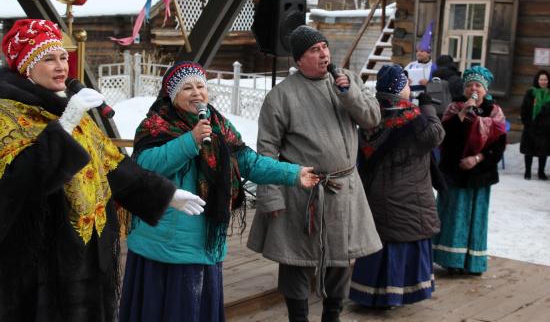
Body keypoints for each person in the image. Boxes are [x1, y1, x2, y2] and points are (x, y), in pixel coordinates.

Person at [0, 19, 205, 322]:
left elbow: (113, 165)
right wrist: (66, 122)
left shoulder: (70, 108)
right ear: (26, 67)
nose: (61, 66)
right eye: (48, 59)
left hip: (87, 253)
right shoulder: (9, 115)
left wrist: (166, 194)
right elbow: (25, 180)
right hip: (40, 262)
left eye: (63, 57)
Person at [118, 61, 319, 322]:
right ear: (172, 94)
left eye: (201, 86)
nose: (197, 93)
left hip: (206, 240)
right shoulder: (155, 125)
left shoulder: (219, 126)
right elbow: (144, 168)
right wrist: (190, 141)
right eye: (187, 88)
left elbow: (250, 162)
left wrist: (292, 173)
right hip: (164, 245)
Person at [247, 25, 383, 322]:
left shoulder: (347, 80)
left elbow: (372, 118)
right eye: (314, 50)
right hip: (301, 192)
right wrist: (270, 198)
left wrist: (348, 94)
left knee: (341, 260)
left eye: (324, 47)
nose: (323, 54)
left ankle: (332, 316)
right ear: (299, 60)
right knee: (295, 261)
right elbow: (266, 151)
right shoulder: (281, 97)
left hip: (344, 190)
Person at [349, 64, 444, 308]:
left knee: (378, 241)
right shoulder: (411, 119)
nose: (409, 88)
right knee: (400, 243)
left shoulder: (371, 116)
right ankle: (394, 295)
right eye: (406, 84)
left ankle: (369, 293)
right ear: (399, 88)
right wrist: (428, 107)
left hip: (375, 194)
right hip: (407, 197)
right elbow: (435, 135)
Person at [432, 66, 507, 276]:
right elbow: (444, 137)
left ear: (485, 89)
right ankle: (451, 260)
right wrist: (464, 113)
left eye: (478, 85)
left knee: (475, 217)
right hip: (455, 173)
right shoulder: (455, 108)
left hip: (480, 173)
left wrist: (477, 158)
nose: (474, 88)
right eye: (470, 85)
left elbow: (499, 146)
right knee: (454, 215)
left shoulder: (495, 112)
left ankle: (473, 262)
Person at [519, 69, 550, 180]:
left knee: (544, 151)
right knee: (529, 151)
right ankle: (527, 171)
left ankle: (541, 172)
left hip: (546, 128)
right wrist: (526, 123)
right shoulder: (530, 92)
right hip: (531, 127)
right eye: (541, 79)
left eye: (545, 79)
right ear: (537, 80)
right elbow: (524, 109)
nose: (543, 81)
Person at [405, 20, 437, 91]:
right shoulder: (410, 65)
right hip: (411, 99)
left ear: (428, 53)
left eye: (422, 51)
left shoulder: (434, 68)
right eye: (417, 51)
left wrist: (428, 84)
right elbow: (400, 81)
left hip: (427, 99)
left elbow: (439, 87)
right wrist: (406, 82)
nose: (418, 53)